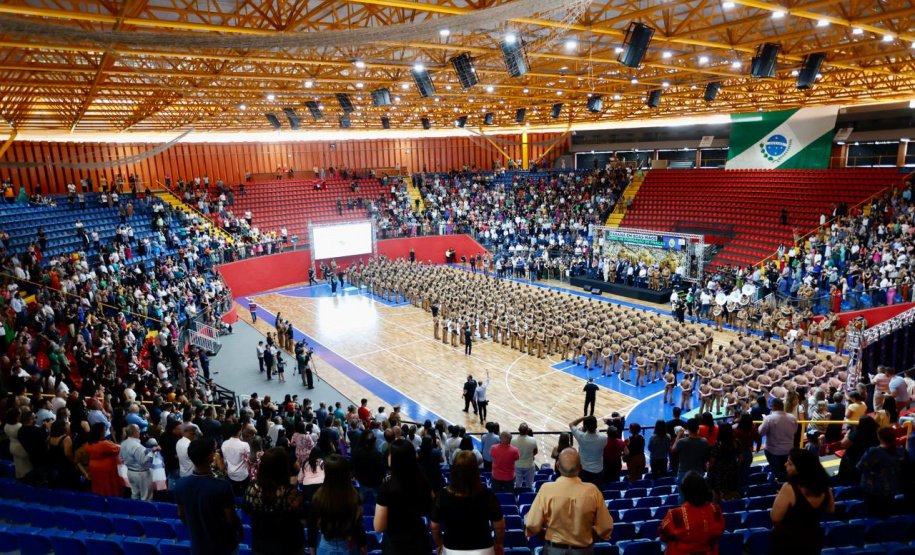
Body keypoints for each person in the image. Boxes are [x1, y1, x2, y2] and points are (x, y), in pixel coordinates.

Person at [525, 449, 613, 553]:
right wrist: (591, 533)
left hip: (553, 550)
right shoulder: (593, 491)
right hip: (583, 551)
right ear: (580, 468)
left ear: (557, 466)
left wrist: (545, 535)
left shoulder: (546, 489)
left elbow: (531, 524)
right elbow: (606, 527)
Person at [174, 438, 245, 555]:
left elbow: (181, 514)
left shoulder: (180, 485)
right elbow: (231, 519)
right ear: (209, 457)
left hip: (198, 545)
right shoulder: (222, 486)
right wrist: (240, 531)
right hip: (223, 546)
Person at [430, 451, 506, 555]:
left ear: (454, 471)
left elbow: (434, 526)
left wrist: (438, 544)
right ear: (476, 471)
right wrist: (499, 543)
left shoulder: (442, 495)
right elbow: (499, 526)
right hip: (484, 549)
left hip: (452, 549)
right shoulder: (487, 495)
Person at [242, 447, 307, 555]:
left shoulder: (252, 488)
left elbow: (247, 511)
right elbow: (303, 519)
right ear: (284, 467)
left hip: (260, 545)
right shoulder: (290, 493)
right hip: (288, 546)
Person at [374, 439, 433, 554]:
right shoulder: (423, 481)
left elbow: (378, 527)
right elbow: (432, 509)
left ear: (394, 459)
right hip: (420, 543)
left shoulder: (387, 488)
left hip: (396, 546)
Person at [770, 449, 834, 555]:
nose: (786, 464)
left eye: (790, 463)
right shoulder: (825, 488)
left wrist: (780, 499)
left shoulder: (789, 488)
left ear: (800, 469)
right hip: (813, 538)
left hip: (789, 542)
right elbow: (830, 509)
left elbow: (775, 517)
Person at [307, 454, 365, 555]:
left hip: (325, 546)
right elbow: (358, 526)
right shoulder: (353, 496)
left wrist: (312, 548)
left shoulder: (318, 496)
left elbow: (312, 526)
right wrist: (363, 546)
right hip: (349, 546)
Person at [659, 471, 726, 555]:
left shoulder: (676, 515)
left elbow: (664, 536)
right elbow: (720, 530)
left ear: (685, 492)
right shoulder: (715, 510)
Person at [857, 426, 908, 518]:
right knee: (886, 512)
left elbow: (860, 467)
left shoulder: (874, 452)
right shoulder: (901, 451)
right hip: (892, 488)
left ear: (880, 438)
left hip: (874, 490)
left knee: (873, 514)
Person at [759, 398, 797, 483]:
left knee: (776, 471)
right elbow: (795, 430)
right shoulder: (792, 417)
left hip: (773, 451)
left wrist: (763, 421)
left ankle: (777, 486)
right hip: (788, 450)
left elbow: (761, 432)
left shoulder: (769, 418)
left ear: (773, 407)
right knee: (786, 471)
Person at [672, 418, 709, 504]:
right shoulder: (704, 441)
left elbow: (673, 450)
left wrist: (678, 436)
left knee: (682, 496)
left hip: (683, 472)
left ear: (687, 429)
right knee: (697, 496)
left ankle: (683, 514)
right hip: (698, 472)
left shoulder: (682, 442)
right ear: (698, 428)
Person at [837, 415, 879, 486]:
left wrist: (846, 435)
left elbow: (843, 444)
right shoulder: (876, 434)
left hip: (853, 464)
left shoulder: (856, 434)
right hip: (867, 464)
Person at [120, 424, 157, 500]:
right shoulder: (137, 446)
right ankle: (145, 512)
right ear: (135, 433)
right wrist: (152, 451)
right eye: (138, 430)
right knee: (146, 497)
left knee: (134, 494)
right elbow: (143, 461)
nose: (140, 431)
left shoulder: (123, 443)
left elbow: (121, 458)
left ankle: (135, 510)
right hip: (141, 473)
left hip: (130, 472)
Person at [84, 422, 122, 496]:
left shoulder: (88, 444)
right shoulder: (104, 444)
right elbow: (117, 449)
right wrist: (111, 443)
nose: (105, 431)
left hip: (93, 467)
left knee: (98, 485)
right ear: (101, 432)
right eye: (105, 429)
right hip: (105, 468)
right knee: (108, 486)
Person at [706, 423, 741, 501]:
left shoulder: (718, 445)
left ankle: (718, 507)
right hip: (731, 470)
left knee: (717, 492)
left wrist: (708, 469)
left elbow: (712, 460)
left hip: (718, 472)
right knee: (731, 490)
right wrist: (735, 466)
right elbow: (740, 458)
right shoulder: (736, 442)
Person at [569, 416, 607, 486]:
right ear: (596, 426)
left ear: (586, 426)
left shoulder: (581, 437)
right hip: (598, 471)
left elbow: (571, 424)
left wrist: (583, 417)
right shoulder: (604, 438)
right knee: (596, 491)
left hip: (584, 470)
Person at [222, 423, 252, 496]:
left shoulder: (224, 444)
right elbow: (248, 459)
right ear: (239, 431)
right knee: (245, 492)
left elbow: (225, 460)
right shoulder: (245, 445)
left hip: (231, 473)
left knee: (235, 492)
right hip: (243, 473)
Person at [511, 423, 538, 488]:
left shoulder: (513, 440)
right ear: (527, 431)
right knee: (529, 485)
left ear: (518, 430)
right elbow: (535, 452)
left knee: (518, 485)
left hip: (517, 465)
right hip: (529, 465)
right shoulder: (533, 440)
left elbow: (512, 453)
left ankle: (518, 496)